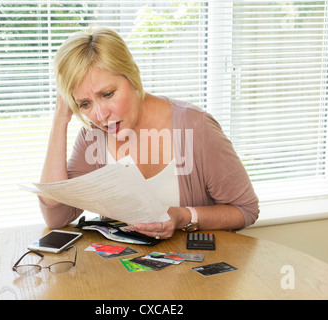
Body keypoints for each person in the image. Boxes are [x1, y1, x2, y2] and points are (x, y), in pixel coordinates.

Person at [39, 27, 259, 240]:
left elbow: (245, 210)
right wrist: (60, 120)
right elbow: (56, 216)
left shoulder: (196, 127)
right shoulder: (92, 137)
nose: (100, 115)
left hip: (195, 273)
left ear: (132, 76)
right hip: (128, 274)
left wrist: (183, 216)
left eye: (107, 94)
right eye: (85, 104)